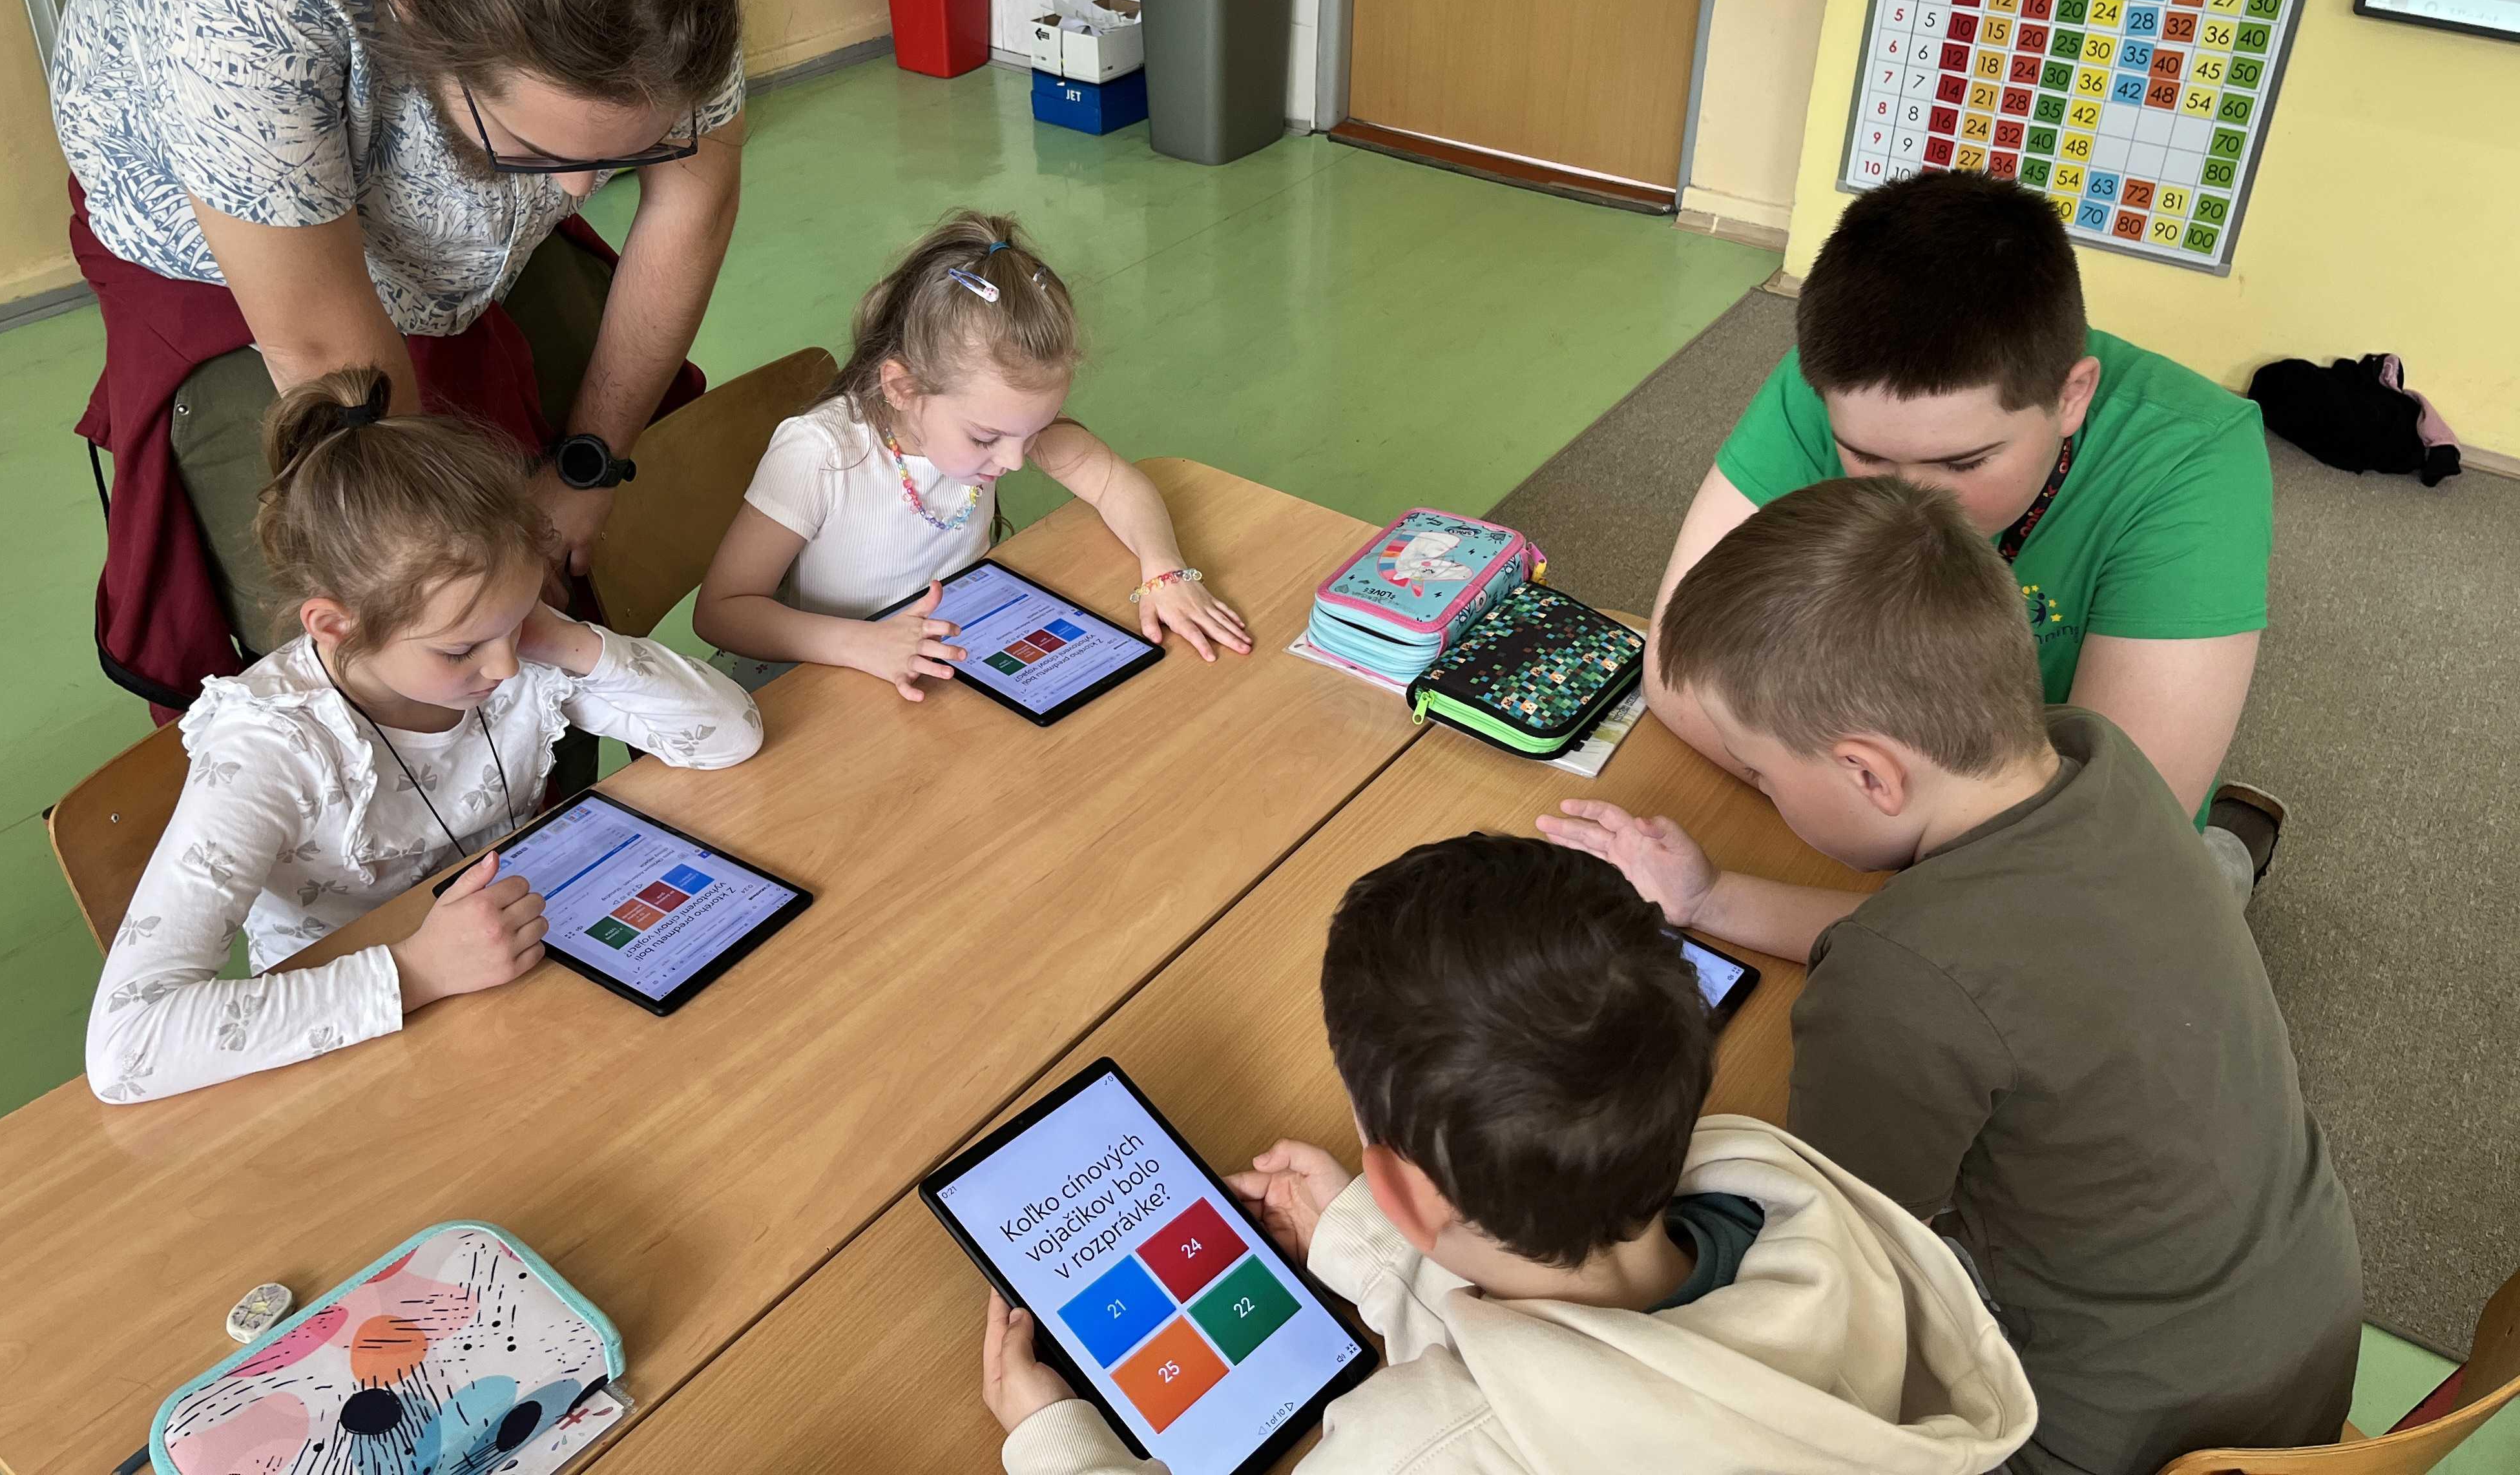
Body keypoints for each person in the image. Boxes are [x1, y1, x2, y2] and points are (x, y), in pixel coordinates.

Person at [1546, 479, 2360, 1475]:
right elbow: (1961, 953)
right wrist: (1712, 898)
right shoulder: (2099, 764)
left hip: (2107, 1437)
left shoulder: (1898, 987)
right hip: (2299, 1346)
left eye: (1761, 773)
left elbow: (1829, 1255)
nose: (1759, 787)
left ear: (1868, 773)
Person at [56, 0, 749, 711]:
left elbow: (696, 192)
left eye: (619, 154)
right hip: (228, 254)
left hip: (442, 204)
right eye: (541, 155)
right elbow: (322, 342)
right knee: (403, 639)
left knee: (556, 582)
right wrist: (461, 589)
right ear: (414, 19)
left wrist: (589, 464)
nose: (579, 197)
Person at [975, 833, 2039, 1475]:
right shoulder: (1787, 1200)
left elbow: (1502, 1407)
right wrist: (1368, 1241)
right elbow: (1589, 1366)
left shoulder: (1410, 1449)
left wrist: (1057, 1439)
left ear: (1405, 1188)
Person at [84, 369, 762, 1104]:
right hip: (359, 1030)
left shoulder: (502, 642)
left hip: (520, 969)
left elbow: (729, 736)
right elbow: (128, 1047)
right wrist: (417, 971)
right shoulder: (273, 748)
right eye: (460, 650)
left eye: (519, 618)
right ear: (335, 627)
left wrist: (561, 638)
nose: (504, 668)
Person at [1637, 170, 2276, 916]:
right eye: (1866, 456)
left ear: (2072, 396)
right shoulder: (1854, 380)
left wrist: (1878, 837)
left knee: (2170, 906)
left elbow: (2101, 845)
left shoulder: (2194, 458)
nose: (1911, 502)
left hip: (2032, 852)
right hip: (1901, 806)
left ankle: (2226, 856)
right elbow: (1679, 673)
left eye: (1965, 462)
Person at [694, 212, 1249, 698]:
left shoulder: (1003, 419)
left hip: (940, 662)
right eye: (986, 439)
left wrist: (1164, 570)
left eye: (1033, 433)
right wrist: (863, 643)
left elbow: (1113, 482)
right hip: (814, 679)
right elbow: (722, 610)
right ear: (903, 388)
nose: (1014, 461)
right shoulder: (821, 453)